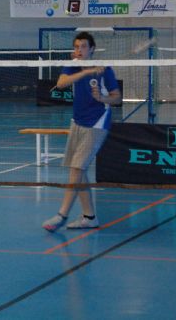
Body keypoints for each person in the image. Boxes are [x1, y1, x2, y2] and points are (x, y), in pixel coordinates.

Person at [42, 32, 121, 232]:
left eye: (83, 46)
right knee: (78, 169)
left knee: (76, 169)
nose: (79, 50)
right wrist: (86, 72)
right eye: (76, 47)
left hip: (97, 123)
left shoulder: (105, 70)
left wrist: (102, 98)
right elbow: (61, 84)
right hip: (77, 122)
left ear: (92, 49)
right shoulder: (72, 66)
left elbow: (117, 98)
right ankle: (89, 217)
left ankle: (62, 215)